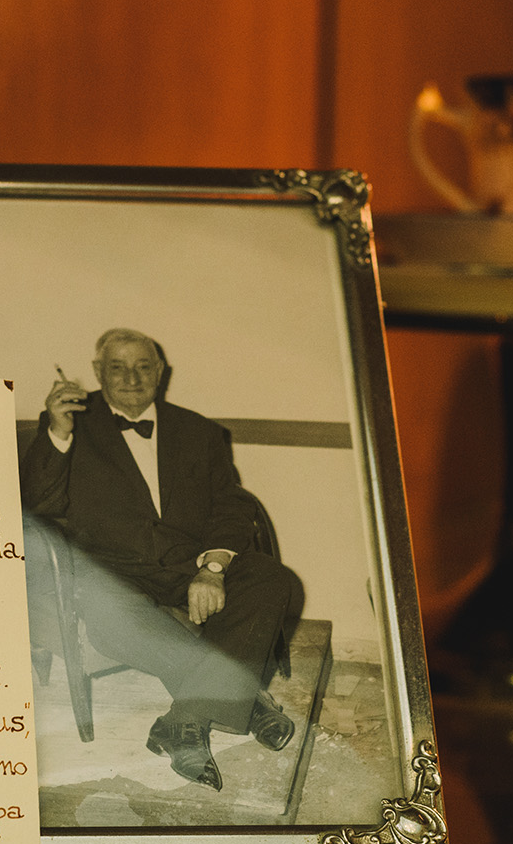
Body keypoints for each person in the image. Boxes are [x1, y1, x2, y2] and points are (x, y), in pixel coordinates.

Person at [20, 328, 304, 790]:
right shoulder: (70, 424)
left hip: (187, 562)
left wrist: (212, 568)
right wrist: (57, 433)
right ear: (97, 373)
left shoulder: (200, 431)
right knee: (114, 618)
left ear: (161, 373)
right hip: (111, 571)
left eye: (143, 366)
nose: (131, 378)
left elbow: (231, 504)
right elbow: (37, 505)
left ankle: (183, 720)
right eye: (117, 367)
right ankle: (248, 700)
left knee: (270, 577)